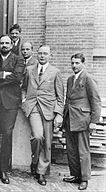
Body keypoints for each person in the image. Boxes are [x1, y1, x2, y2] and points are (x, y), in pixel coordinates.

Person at [22, 45, 64, 186]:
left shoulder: (55, 72)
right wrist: (24, 101)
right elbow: (23, 88)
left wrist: (59, 114)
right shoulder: (29, 70)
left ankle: (41, 172)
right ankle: (34, 161)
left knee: (47, 143)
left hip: (48, 109)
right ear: (36, 54)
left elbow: (60, 95)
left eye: (45, 54)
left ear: (50, 55)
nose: (42, 56)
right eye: (40, 53)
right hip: (33, 107)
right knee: (38, 136)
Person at [0, 35, 25, 184]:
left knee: (7, 135)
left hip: (10, 104)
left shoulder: (18, 60)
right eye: (2, 43)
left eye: (7, 43)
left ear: (11, 45)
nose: (4, 45)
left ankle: (3, 170)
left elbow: (17, 77)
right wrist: (3, 74)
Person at [62, 53, 101, 190]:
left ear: (83, 63)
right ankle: (76, 175)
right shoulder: (70, 79)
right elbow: (68, 100)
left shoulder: (89, 79)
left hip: (82, 119)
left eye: (77, 63)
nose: (74, 66)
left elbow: (95, 101)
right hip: (69, 118)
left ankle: (84, 178)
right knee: (71, 149)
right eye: (72, 63)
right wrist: (63, 119)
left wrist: (94, 121)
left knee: (83, 150)